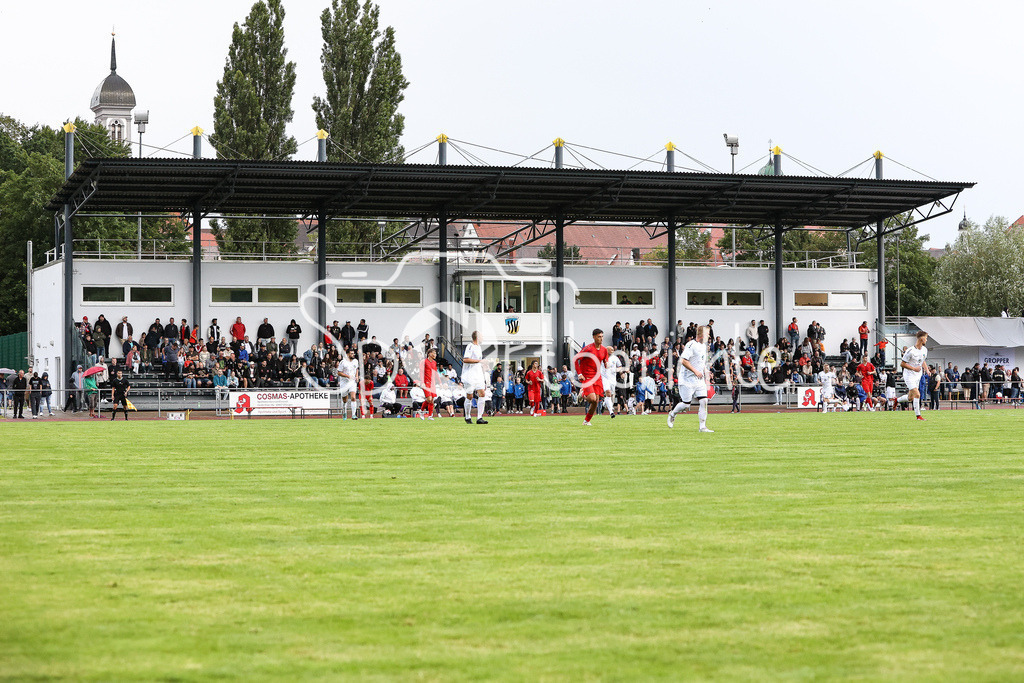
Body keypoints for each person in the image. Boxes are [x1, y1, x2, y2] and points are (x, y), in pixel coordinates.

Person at [667, 325, 713, 432]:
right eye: (707, 333)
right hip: (687, 380)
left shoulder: (703, 346)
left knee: (704, 401)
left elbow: (701, 362)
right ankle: (672, 413)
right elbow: (683, 361)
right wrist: (696, 371)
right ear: (701, 334)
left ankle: (702, 427)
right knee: (686, 405)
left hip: (698, 380)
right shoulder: (691, 344)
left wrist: (705, 371)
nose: (709, 335)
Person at [573, 328, 611, 426]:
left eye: (602, 336)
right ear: (594, 337)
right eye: (599, 337)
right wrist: (579, 374)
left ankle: (586, 421)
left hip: (597, 377)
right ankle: (583, 393)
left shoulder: (604, 350)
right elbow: (576, 359)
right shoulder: (588, 348)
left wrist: (607, 365)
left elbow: (605, 361)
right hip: (587, 376)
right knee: (592, 399)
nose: (601, 339)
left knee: (596, 401)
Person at [896, 330, 929, 420]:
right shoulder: (910, 351)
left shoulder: (925, 350)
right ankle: (918, 416)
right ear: (921, 338)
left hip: (918, 375)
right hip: (909, 375)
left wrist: (927, 370)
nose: (926, 340)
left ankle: (897, 400)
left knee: (911, 397)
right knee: (917, 394)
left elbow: (923, 360)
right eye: (926, 338)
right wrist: (914, 368)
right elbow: (902, 364)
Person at [461, 331, 488, 424]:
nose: (483, 338)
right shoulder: (470, 346)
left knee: (482, 394)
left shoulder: (479, 347)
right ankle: (467, 416)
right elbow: (465, 359)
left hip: (478, 374)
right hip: (469, 375)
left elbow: (479, 362)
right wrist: (479, 361)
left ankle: (479, 417)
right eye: (481, 336)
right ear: (477, 337)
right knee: (470, 396)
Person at [337, 347, 360, 419]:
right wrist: (347, 376)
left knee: (353, 397)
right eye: (352, 353)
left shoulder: (355, 361)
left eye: (354, 353)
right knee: (345, 400)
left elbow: (356, 369)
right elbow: (339, 373)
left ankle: (353, 415)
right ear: (347, 354)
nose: (353, 355)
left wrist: (357, 376)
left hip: (352, 382)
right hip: (344, 382)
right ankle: (344, 412)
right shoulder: (343, 362)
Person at [600, 351, 621, 418]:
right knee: (608, 393)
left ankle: (604, 404)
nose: (612, 351)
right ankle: (611, 412)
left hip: (612, 379)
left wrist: (616, 370)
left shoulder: (615, 358)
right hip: (605, 378)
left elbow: (620, 366)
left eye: (612, 350)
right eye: (610, 350)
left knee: (610, 395)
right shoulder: (601, 357)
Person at [419, 347, 438, 420]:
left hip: (432, 383)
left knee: (432, 400)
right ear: (429, 354)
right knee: (429, 399)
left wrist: (439, 382)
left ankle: (430, 416)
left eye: (435, 353)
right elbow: (421, 372)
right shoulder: (424, 361)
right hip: (426, 382)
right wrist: (422, 382)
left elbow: (435, 373)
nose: (435, 355)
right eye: (434, 353)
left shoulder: (434, 362)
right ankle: (421, 411)